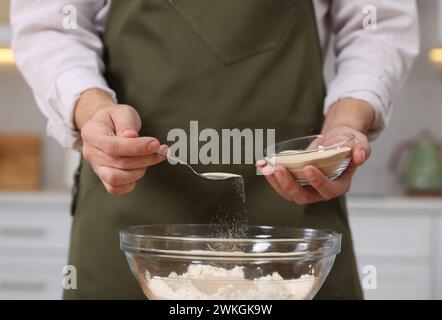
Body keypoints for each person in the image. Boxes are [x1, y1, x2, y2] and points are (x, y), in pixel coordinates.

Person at [11, 0, 419, 299]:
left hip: (290, 220)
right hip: (132, 204)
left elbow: (377, 23)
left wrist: (346, 122)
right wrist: (92, 109)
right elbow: (52, 24)